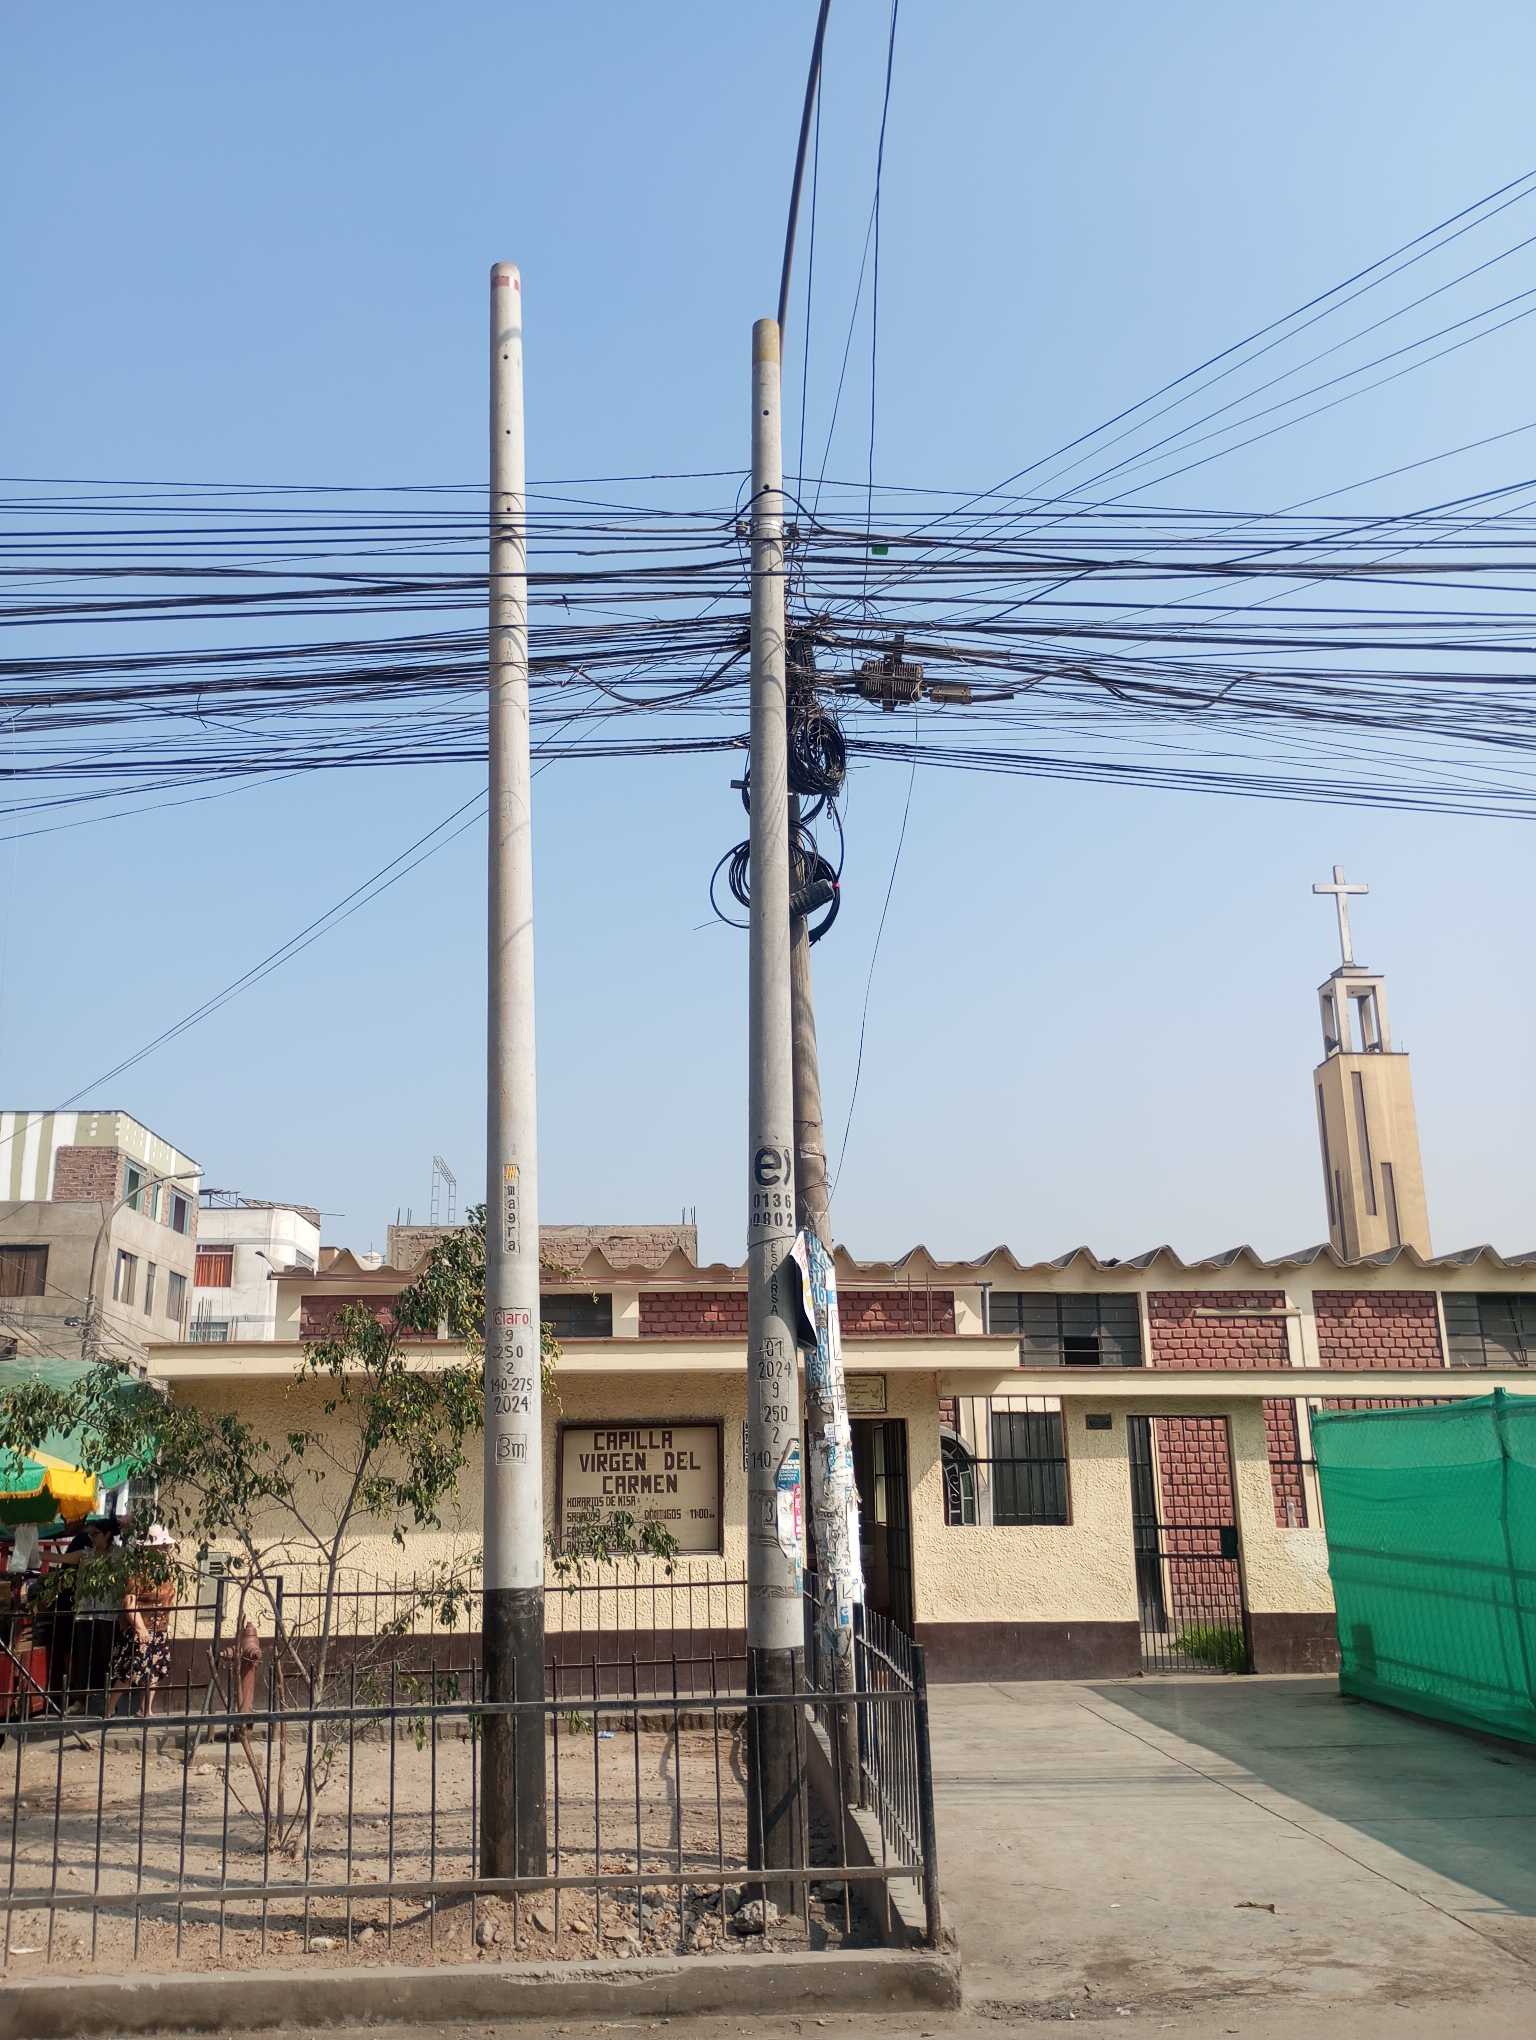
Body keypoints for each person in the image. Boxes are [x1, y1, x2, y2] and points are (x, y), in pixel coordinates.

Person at [106, 1525, 177, 1717]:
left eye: (166, 1547)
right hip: (141, 1628)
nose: (166, 1551)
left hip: (159, 1628)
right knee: (130, 1671)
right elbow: (129, 1602)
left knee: (154, 1671)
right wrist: (140, 1628)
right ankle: (109, 1708)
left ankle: (146, 1710)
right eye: (162, 1547)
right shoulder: (139, 1572)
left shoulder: (164, 1572)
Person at [62, 1520, 121, 1712]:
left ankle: (108, 1702)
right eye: (90, 1534)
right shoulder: (86, 1554)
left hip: (108, 1614)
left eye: (95, 1534)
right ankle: (80, 1700)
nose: (91, 1537)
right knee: (83, 1657)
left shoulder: (119, 1556)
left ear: (107, 1534)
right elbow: (59, 1558)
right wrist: (28, 1549)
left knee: (107, 1658)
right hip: (85, 1614)